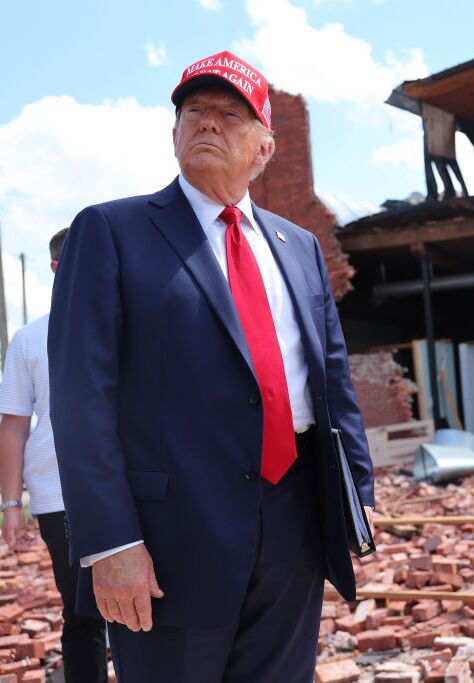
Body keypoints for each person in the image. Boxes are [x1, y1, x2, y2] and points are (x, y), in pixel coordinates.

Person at [47, 51, 375, 682]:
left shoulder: (298, 247)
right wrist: (111, 543)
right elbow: (81, 399)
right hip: (169, 538)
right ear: (174, 133)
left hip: (295, 521)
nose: (207, 123)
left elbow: (332, 383)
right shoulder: (112, 232)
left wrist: (354, 496)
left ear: (264, 146)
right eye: (193, 111)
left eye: (230, 114)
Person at [0, 228, 108, 683]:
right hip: (59, 492)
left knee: (150, 607)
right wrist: (10, 506)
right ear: (56, 269)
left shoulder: (129, 326)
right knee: (83, 612)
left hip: (137, 485)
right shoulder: (28, 340)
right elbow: (13, 424)